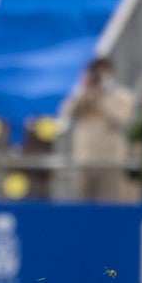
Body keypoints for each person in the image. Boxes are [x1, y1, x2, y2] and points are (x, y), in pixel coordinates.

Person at [59, 56, 135, 202]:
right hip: (85, 161)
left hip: (110, 162)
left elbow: (122, 120)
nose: (99, 77)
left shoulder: (121, 96)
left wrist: (103, 98)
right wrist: (84, 91)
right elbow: (67, 113)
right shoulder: (83, 95)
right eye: (96, 73)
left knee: (108, 207)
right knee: (82, 209)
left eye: (102, 73)